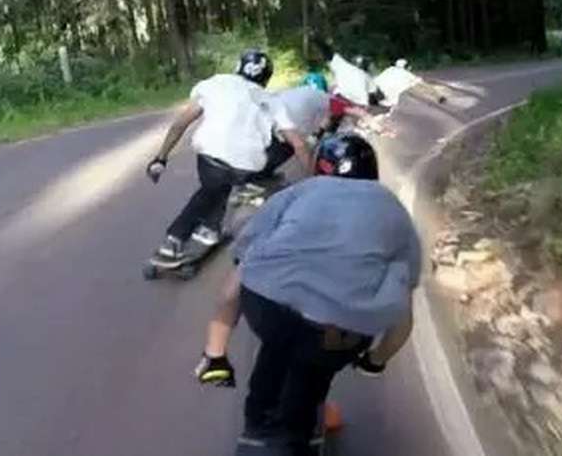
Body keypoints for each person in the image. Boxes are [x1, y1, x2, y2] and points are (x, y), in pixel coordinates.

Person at [193, 134, 421, 455]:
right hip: (340, 329)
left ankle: (259, 423)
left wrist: (215, 353)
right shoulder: (395, 212)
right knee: (315, 363)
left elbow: (235, 284)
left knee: (280, 339)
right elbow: (403, 315)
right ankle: (297, 428)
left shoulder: (296, 193)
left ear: (319, 168)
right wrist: (376, 360)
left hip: (269, 310)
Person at [145, 49, 309, 266]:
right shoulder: (268, 99)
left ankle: (177, 240)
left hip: (208, 160)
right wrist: (313, 182)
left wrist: (161, 158)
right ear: (266, 78)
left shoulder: (215, 83)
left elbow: (179, 125)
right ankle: (219, 218)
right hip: (246, 167)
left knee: (212, 185)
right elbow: (298, 144)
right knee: (279, 148)